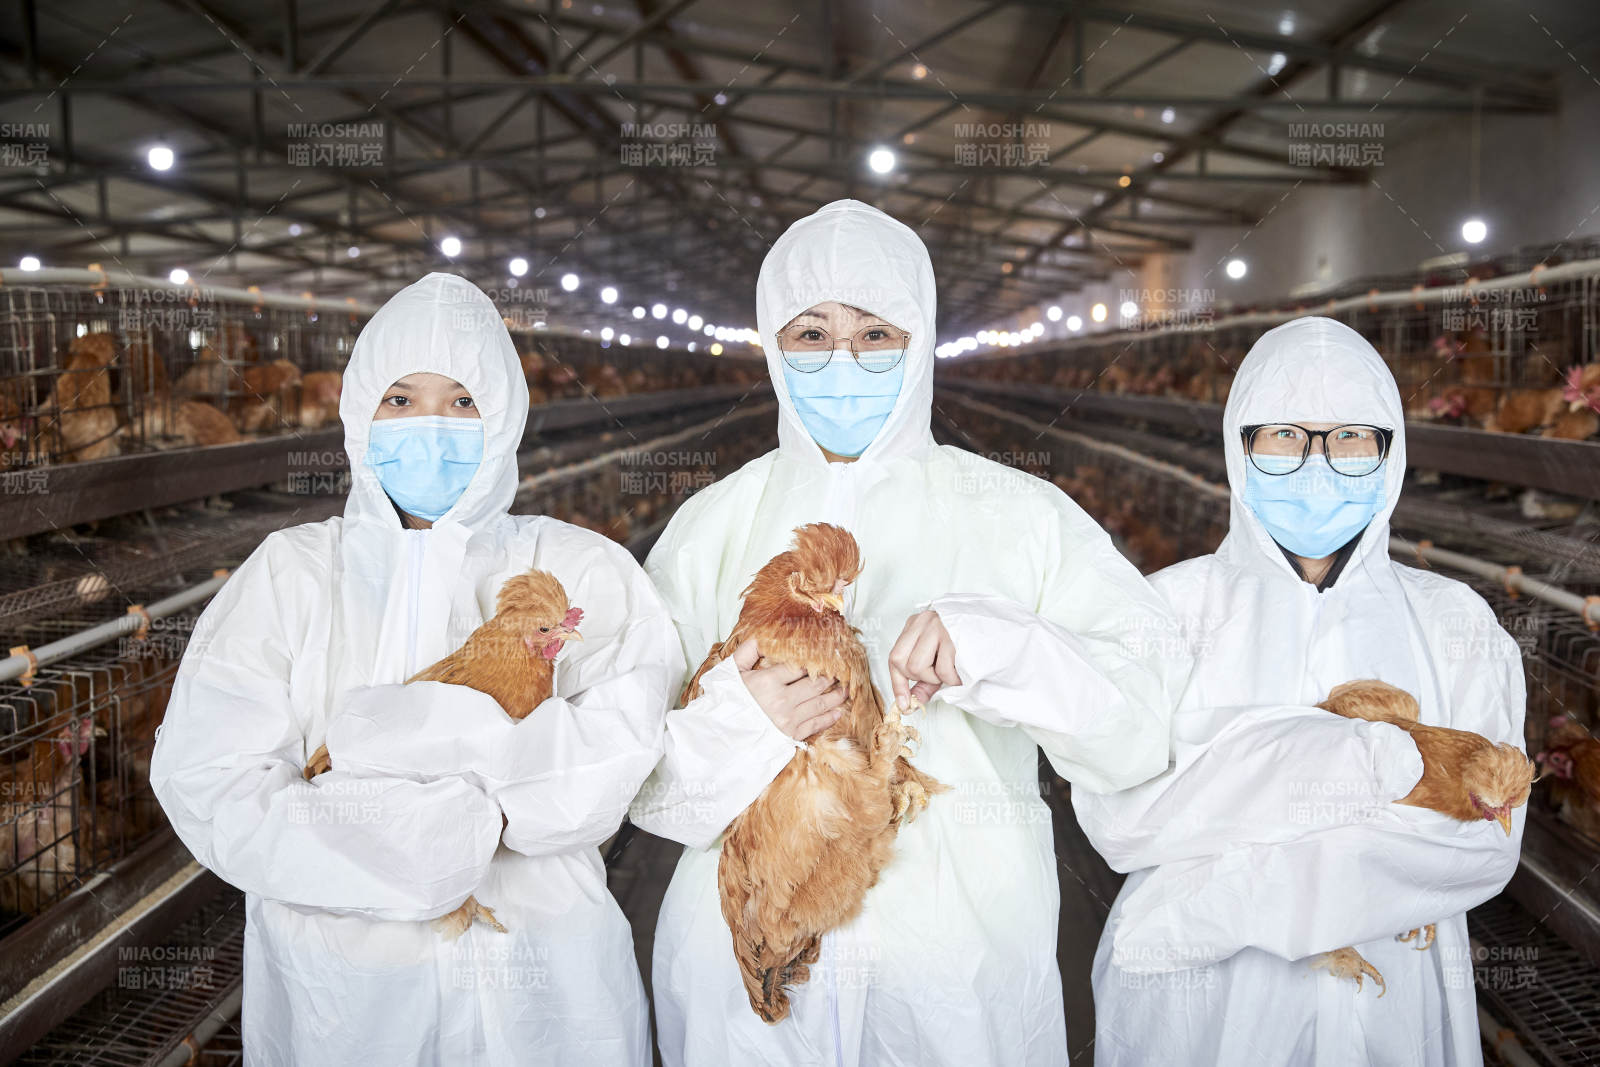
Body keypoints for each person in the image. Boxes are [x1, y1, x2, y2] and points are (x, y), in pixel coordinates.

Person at [628, 199, 1184, 1065]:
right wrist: (742, 718)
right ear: (771, 344)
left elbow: (1141, 729)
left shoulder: (1023, 515)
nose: (842, 358)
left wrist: (1010, 651)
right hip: (750, 958)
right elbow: (634, 776)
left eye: (876, 334)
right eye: (809, 334)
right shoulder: (712, 524)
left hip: (957, 975)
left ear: (919, 342)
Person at [149, 273, 683, 1066]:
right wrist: (395, 845)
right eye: (399, 400)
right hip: (343, 991)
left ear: (502, 419)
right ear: (358, 411)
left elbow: (624, 740)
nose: (430, 423)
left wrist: (471, 805)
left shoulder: (574, 565)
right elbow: (209, 774)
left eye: (462, 401)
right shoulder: (294, 573)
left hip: (542, 987)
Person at [1073, 316, 1526, 1066]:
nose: (1319, 462)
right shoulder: (1163, 610)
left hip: (1388, 998)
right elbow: (1121, 815)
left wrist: (1206, 898)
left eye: (1351, 437)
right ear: (1238, 446)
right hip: (1198, 1013)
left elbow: (1483, 838)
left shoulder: (1455, 622)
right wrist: (1366, 801)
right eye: (1284, 435)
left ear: (1391, 452)